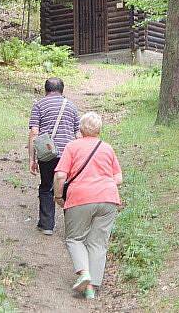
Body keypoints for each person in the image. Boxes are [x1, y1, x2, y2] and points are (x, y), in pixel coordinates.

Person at [53, 111, 122, 300]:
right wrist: (103, 186)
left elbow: (60, 175)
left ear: (81, 129)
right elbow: (118, 178)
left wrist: (59, 196)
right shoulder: (107, 148)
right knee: (98, 242)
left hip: (80, 198)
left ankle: (84, 274)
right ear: (99, 130)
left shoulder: (72, 147)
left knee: (75, 239)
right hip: (108, 199)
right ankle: (92, 287)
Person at [28, 77, 80, 235]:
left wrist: (32, 158)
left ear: (46, 90)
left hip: (47, 153)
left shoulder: (38, 105)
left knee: (46, 187)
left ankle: (47, 225)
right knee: (67, 188)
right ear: (62, 90)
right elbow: (78, 134)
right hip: (68, 154)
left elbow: (34, 132)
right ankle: (71, 228)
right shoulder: (71, 106)